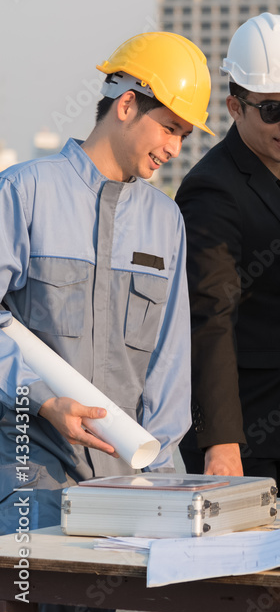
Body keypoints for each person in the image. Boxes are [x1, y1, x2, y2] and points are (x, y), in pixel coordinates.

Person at [0, 32, 208, 527]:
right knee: (22, 599)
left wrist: (152, 475)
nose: (175, 148)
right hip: (26, 473)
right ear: (127, 104)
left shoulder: (165, 221)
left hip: (123, 490)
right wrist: (43, 400)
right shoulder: (25, 192)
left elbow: (170, 360)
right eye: (169, 129)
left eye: (184, 136)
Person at [177, 13, 280, 500]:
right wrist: (220, 440)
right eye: (272, 110)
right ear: (235, 106)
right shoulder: (211, 189)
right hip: (240, 431)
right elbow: (208, 317)